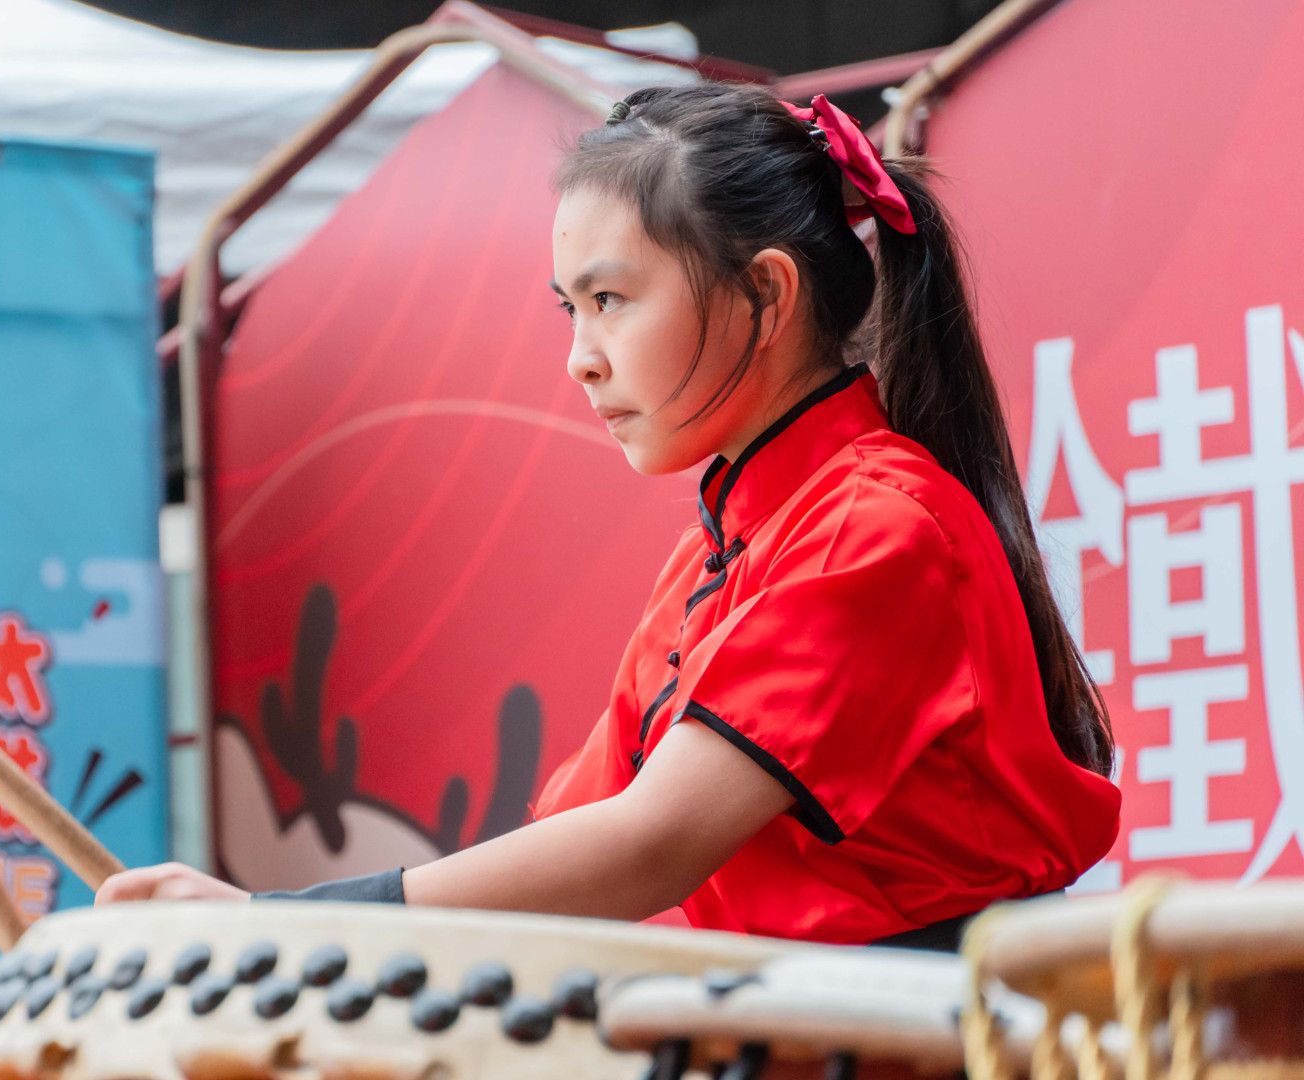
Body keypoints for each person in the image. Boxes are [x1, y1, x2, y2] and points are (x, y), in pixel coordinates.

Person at [96, 83, 1120, 948]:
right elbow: (579, 844)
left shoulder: (873, 528)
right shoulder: (724, 550)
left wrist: (278, 926)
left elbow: (647, 847)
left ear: (767, 295)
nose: (580, 359)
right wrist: (279, 926)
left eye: (611, 301)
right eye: (569, 308)